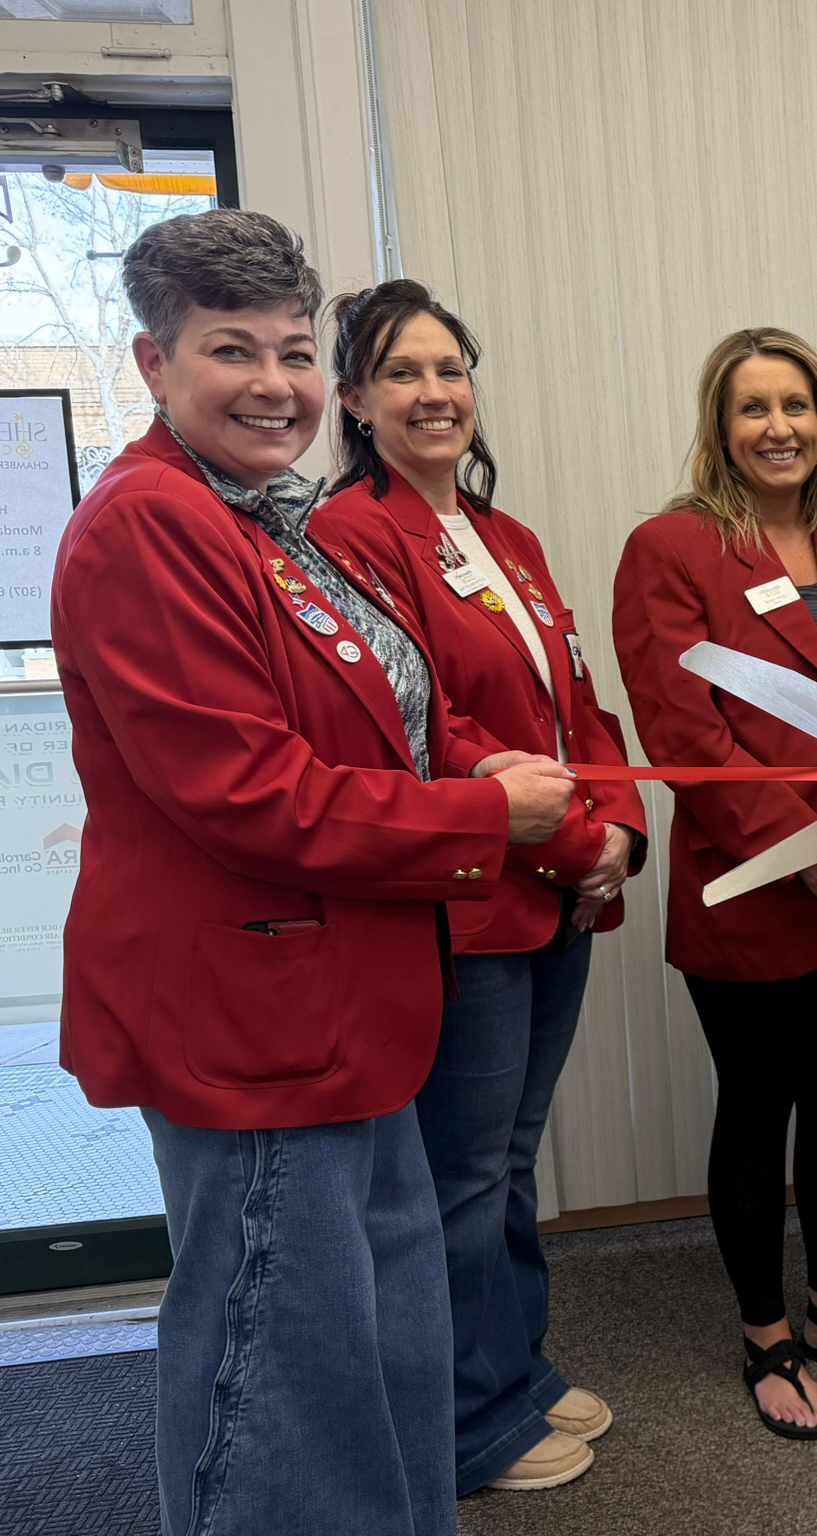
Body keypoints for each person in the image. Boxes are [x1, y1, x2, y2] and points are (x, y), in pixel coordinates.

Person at [49, 211, 574, 1536]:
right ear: (154, 361)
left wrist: (504, 787)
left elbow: (382, 724)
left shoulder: (266, 521)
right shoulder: (149, 525)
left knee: (377, 1358)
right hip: (255, 1023)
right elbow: (251, 792)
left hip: (348, 1008)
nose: (274, 383)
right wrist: (480, 816)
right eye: (233, 350)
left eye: (291, 350)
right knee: (280, 1376)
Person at [318, 279, 649, 1493]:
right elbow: (423, 730)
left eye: (448, 369)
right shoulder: (351, 537)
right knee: (461, 1171)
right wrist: (572, 846)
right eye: (400, 373)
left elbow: (579, 708)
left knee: (510, 1155)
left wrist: (620, 830)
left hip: (555, 892)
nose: (433, 393)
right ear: (355, 401)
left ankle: (513, 1363)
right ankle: (468, 1420)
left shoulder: (505, 539)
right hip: (470, 902)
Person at [613, 327, 817, 1441]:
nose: (778, 427)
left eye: (795, 405)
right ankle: (765, 1334)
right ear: (720, 426)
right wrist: (806, 843)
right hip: (752, 882)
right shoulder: (670, 548)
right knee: (756, 1108)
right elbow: (681, 732)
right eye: (753, 407)